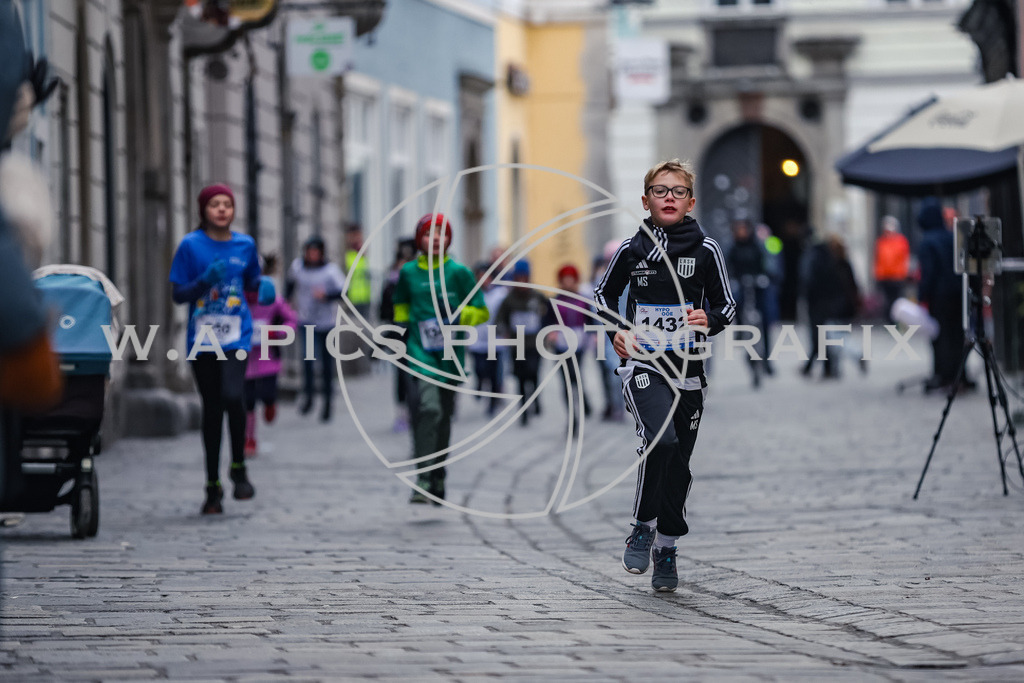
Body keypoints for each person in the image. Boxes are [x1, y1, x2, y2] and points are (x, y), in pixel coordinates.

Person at [594, 159, 734, 592]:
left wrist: (705, 318)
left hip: (688, 374)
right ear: (645, 200)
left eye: (677, 191)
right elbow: (602, 294)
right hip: (643, 365)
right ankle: (642, 524)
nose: (668, 197)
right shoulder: (630, 250)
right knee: (662, 440)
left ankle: (667, 548)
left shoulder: (706, 250)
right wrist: (618, 331)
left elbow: (727, 307)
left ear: (690, 201)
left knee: (679, 465)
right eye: (660, 190)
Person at [169, 183, 276, 515]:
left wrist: (264, 287)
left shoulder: (245, 245)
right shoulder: (190, 246)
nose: (221, 209)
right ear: (204, 210)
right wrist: (203, 280)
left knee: (234, 396)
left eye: (227, 204)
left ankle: (239, 468)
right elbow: (178, 294)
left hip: (237, 335)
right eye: (214, 204)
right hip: (203, 338)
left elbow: (252, 281)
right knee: (212, 409)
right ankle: (212, 485)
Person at [392, 213, 488, 504]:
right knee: (428, 409)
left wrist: (461, 316)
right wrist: (401, 337)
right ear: (419, 239)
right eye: (428, 234)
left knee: (444, 416)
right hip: (419, 352)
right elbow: (400, 307)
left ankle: (438, 477)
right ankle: (422, 478)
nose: (435, 240)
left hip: (451, 355)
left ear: (449, 240)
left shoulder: (459, 273)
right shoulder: (408, 273)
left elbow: (481, 311)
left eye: (441, 234)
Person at [286, 235, 346, 422]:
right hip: (306, 321)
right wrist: (287, 303)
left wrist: (326, 295)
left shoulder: (330, 271)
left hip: (327, 323)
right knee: (308, 360)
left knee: (327, 365)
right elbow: (289, 285)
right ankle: (309, 398)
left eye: (315, 252)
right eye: (309, 251)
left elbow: (344, 292)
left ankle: (328, 404)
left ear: (321, 253)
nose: (312, 255)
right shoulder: (297, 267)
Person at [243, 254, 298, 457]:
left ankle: (270, 404)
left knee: (266, 394)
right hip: (244, 359)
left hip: (268, 359)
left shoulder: (272, 298)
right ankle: (249, 438)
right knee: (247, 401)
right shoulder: (235, 298)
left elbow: (291, 321)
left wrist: (276, 333)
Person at [917, 198, 966, 392]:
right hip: (958, 293)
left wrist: (922, 295)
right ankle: (959, 375)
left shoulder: (928, 241)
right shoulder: (952, 237)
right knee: (957, 334)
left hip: (940, 296)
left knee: (941, 336)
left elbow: (928, 272)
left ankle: (944, 375)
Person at [495, 260, 549, 426]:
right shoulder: (509, 299)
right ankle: (524, 411)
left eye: (524, 278)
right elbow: (499, 320)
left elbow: (549, 315)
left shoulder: (537, 296)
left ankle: (536, 399)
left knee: (533, 373)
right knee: (520, 378)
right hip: (516, 345)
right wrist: (502, 330)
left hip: (535, 344)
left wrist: (548, 330)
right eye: (518, 278)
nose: (521, 282)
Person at [544, 263, 592, 425]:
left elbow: (590, 320)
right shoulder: (554, 301)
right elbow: (547, 322)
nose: (568, 283)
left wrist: (593, 335)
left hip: (579, 342)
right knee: (565, 379)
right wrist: (551, 333)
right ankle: (572, 414)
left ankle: (583, 398)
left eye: (571, 280)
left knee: (576, 375)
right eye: (565, 280)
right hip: (561, 343)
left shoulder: (582, 300)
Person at [379, 237, 418, 432]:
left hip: (419, 334)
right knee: (401, 374)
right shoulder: (391, 282)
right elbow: (384, 310)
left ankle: (419, 410)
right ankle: (402, 413)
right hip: (399, 334)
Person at [468, 260, 508, 417]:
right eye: (480, 277)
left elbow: (506, 313)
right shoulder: (471, 294)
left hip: (496, 339)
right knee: (479, 368)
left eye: (487, 276)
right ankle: (479, 384)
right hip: (476, 338)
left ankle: (492, 403)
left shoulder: (501, 294)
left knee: (494, 373)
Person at [874, 216, 910, 323]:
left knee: (897, 300)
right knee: (887, 300)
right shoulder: (881, 242)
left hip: (897, 276)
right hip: (885, 276)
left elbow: (904, 258)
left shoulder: (901, 241)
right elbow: (879, 258)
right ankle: (889, 320)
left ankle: (898, 320)